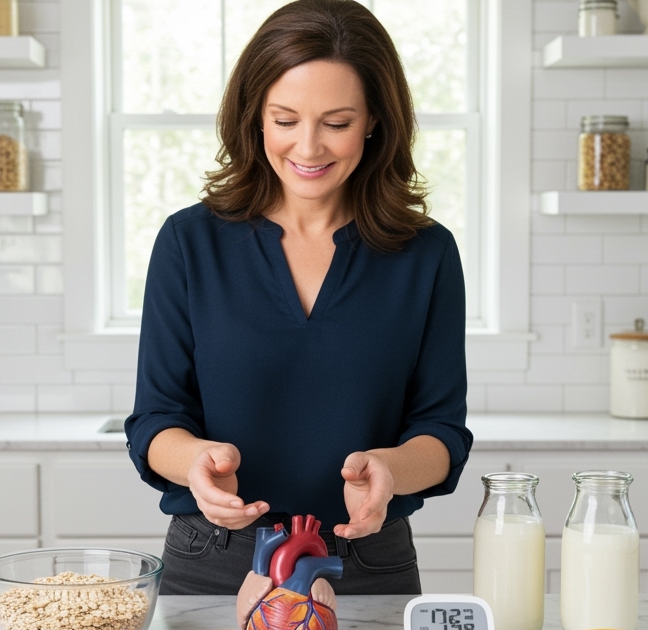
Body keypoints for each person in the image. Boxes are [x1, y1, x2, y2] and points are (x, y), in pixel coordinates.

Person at [124, 0, 472, 596]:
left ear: (374, 122)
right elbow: (155, 421)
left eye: (336, 123)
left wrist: (391, 470)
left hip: (365, 563)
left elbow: (441, 432)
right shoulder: (189, 241)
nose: (308, 148)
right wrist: (196, 465)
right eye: (285, 120)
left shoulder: (426, 253)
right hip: (213, 560)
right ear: (254, 117)